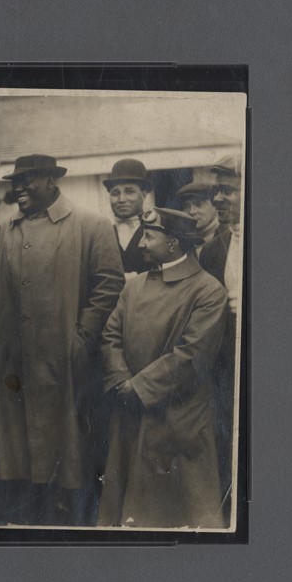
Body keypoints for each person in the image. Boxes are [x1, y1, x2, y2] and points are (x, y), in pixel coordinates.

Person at [0, 155, 124, 526]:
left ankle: (78, 530)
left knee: (71, 453)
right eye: (17, 181)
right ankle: (32, 528)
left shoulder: (91, 226)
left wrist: (81, 336)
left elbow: (109, 286)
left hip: (67, 361)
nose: (20, 188)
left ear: (50, 182)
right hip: (15, 364)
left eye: (29, 180)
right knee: (20, 452)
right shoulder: (2, 230)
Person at [97, 208, 228, 529]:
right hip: (130, 410)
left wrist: (138, 388)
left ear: (173, 244)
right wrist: (120, 381)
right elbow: (110, 335)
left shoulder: (208, 291)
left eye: (149, 235)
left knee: (174, 521)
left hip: (177, 419)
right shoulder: (134, 286)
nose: (141, 242)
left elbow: (191, 356)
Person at [197, 153, 245, 507]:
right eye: (216, 191)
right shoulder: (213, 251)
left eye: (227, 191)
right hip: (228, 368)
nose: (217, 199)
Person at [103, 158, 153, 279]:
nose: (121, 199)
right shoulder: (102, 234)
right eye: (115, 193)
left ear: (144, 194)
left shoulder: (157, 231)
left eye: (129, 192)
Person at [175, 179, 221, 256]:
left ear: (215, 207)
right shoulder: (182, 241)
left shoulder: (229, 237)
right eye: (187, 206)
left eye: (199, 205)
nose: (192, 211)